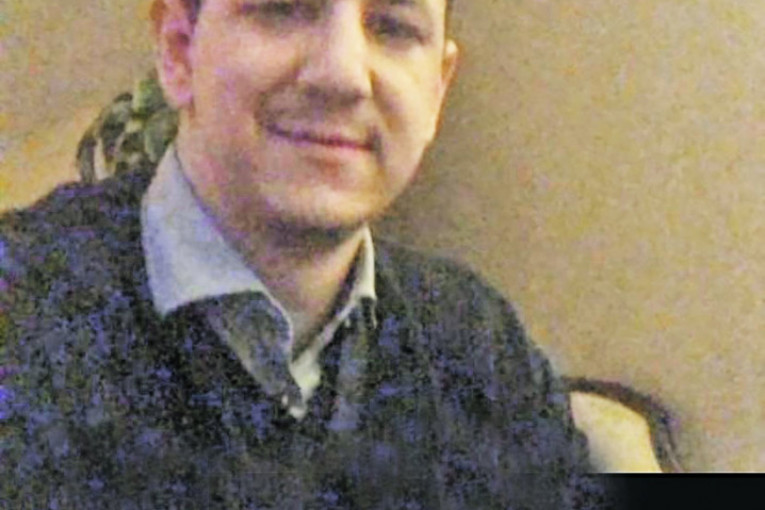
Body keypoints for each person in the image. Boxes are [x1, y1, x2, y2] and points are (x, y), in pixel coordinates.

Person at [0, 0, 608, 507]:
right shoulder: (18, 315)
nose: (342, 75)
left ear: (437, 92)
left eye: (392, 27)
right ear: (178, 50)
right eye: (283, 9)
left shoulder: (477, 346)